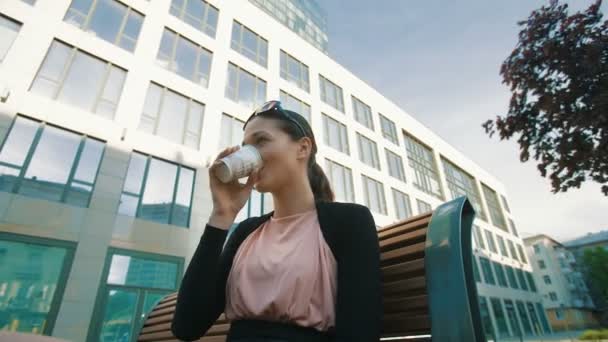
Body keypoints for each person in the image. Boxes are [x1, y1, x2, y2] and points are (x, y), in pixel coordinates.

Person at [171, 101, 382, 342]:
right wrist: (222, 215)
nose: (249, 156)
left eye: (261, 142)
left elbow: (360, 331)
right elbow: (187, 326)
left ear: (302, 148)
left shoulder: (348, 222)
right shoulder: (246, 232)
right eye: (245, 148)